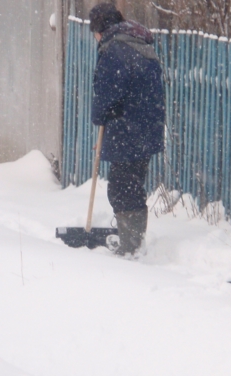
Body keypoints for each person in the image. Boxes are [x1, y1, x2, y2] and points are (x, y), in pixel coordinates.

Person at [89, 3, 165, 256]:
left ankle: (131, 246)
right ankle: (132, 239)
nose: (96, 38)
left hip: (128, 128)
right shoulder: (139, 44)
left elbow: (107, 92)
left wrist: (99, 117)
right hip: (146, 126)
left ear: (101, 28)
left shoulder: (115, 49)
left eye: (95, 32)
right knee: (131, 183)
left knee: (122, 188)